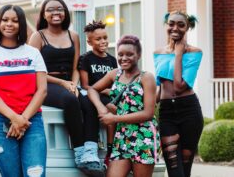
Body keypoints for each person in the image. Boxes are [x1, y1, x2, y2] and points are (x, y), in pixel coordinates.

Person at [0, 5, 47, 177]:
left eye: (15, 20)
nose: (9, 24)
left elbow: (42, 90)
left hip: (32, 121)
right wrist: (14, 118)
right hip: (0, 122)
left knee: (35, 174)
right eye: (5, 19)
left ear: (21, 24)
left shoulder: (33, 53)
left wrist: (22, 119)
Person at [29, 0, 91, 169]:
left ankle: (91, 150)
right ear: (43, 14)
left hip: (69, 83)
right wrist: (64, 84)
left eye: (59, 9)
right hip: (45, 83)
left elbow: (76, 67)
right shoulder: (38, 36)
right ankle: (80, 153)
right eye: (50, 9)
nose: (55, 12)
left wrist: (73, 83)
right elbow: (34, 71)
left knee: (89, 102)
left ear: (65, 12)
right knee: (70, 100)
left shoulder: (74, 36)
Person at [88, 35, 160, 177]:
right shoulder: (115, 74)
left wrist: (114, 119)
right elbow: (92, 89)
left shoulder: (146, 78)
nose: (124, 58)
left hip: (143, 135)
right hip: (122, 136)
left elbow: (148, 113)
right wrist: (101, 108)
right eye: (120, 54)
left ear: (138, 55)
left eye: (129, 54)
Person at [154, 11, 203, 177]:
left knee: (185, 169)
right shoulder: (158, 53)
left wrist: (178, 54)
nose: (175, 28)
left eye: (181, 25)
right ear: (166, 25)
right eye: (171, 23)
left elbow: (179, 87)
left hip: (189, 111)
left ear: (187, 27)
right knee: (174, 169)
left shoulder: (195, 53)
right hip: (167, 112)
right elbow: (160, 87)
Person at [78, 20, 118, 169]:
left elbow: (116, 82)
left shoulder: (112, 60)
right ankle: (108, 151)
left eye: (105, 38)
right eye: (98, 39)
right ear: (89, 42)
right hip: (93, 94)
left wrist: (111, 91)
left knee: (115, 108)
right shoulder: (86, 58)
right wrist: (103, 90)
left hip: (110, 95)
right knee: (109, 109)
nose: (103, 41)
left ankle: (112, 148)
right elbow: (85, 85)